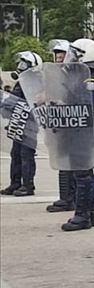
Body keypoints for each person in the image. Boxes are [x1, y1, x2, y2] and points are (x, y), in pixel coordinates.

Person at [60, 39, 94, 231]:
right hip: (79, 130)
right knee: (84, 171)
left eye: (75, 54)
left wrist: (65, 104)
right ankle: (91, 212)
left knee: (83, 172)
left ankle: (83, 214)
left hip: (84, 131)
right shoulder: (83, 76)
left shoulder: (89, 78)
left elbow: (87, 105)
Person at [42, 40, 77, 212]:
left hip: (72, 123)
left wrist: (57, 100)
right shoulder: (57, 73)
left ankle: (71, 198)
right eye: (56, 53)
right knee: (62, 160)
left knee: (72, 162)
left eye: (61, 53)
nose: (58, 57)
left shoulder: (74, 73)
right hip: (60, 121)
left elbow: (74, 97)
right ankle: (65, 197)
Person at [0, 51, 42, 197]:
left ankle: (28, 185)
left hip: (29, 123)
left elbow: (30, 101)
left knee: (26, 154)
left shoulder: (35, 81)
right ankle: (16, 182)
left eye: (24, 63)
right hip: (18, 121)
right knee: (16, 153)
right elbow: (14, 100)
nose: (20, 65)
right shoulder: (22, 81)